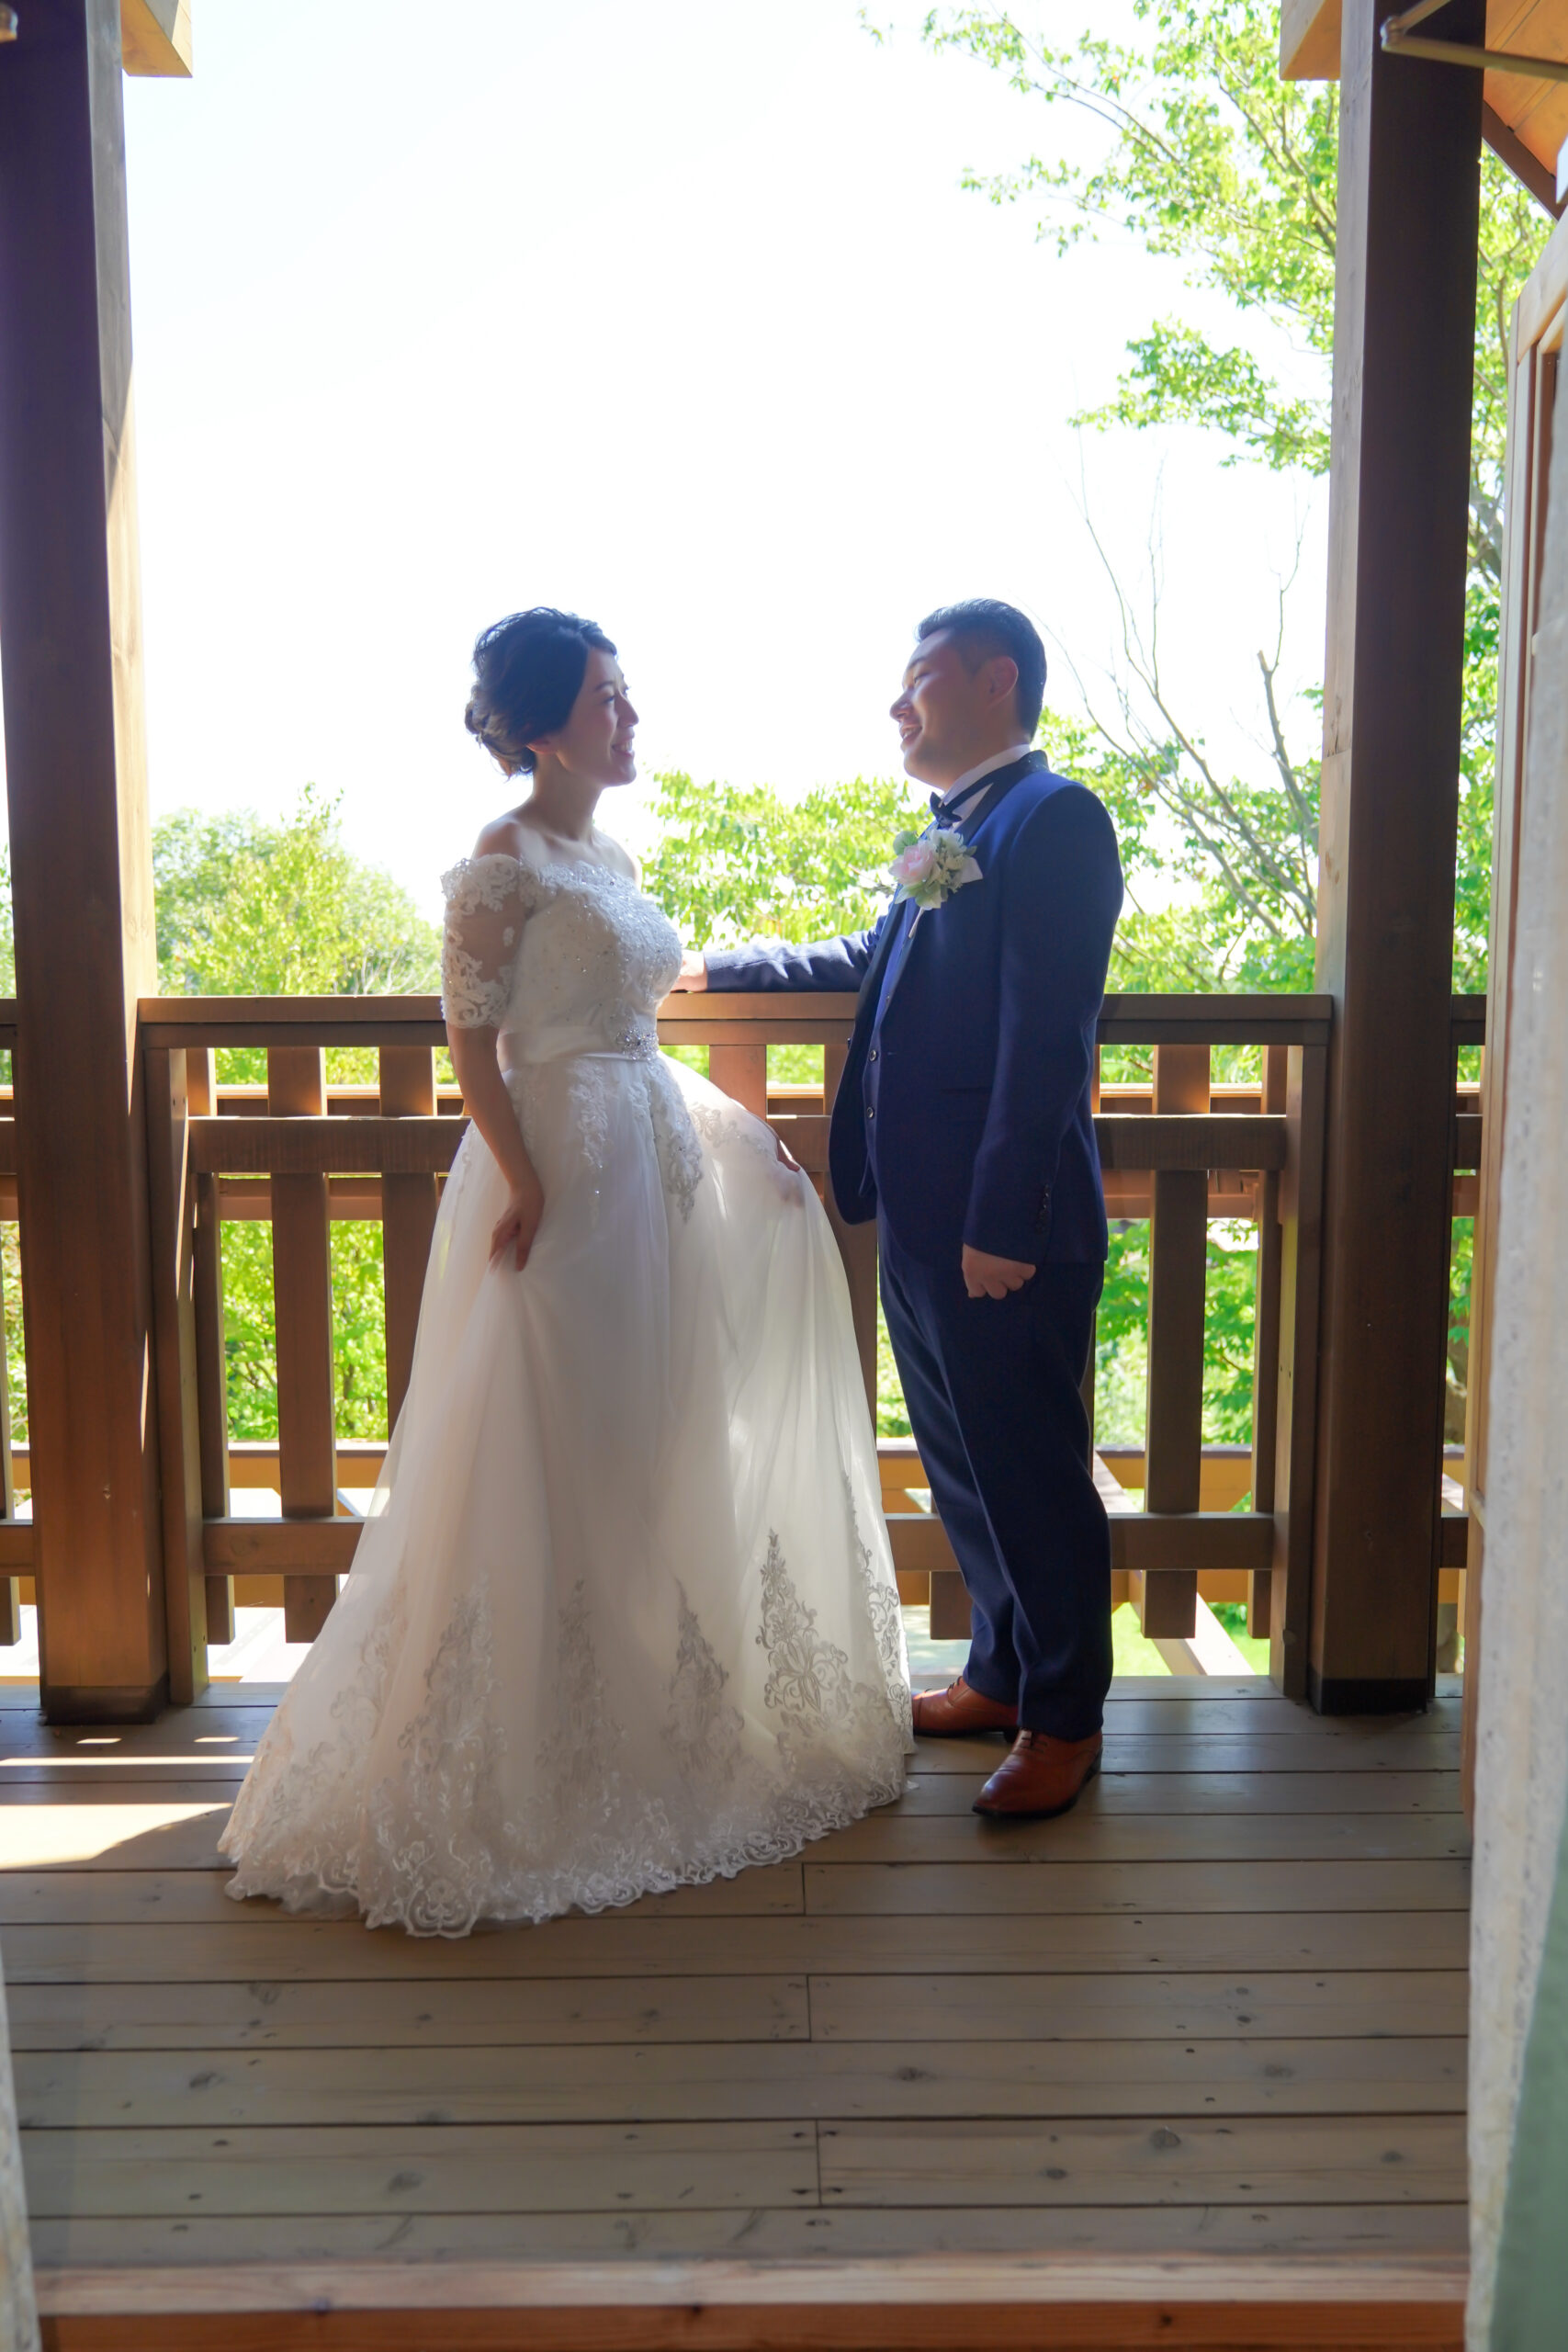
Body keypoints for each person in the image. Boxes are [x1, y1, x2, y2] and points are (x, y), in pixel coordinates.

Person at [220, 608, 910, 1937]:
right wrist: (527, 1181)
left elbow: (632, 1034)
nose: (630, 716)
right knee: (557, 1435)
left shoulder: (612, 854)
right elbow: (472, 1042)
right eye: (607, 697)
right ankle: (532, 1754)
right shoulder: (503, 854)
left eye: (628, 693)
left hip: (652, 1162)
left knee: (657, 1433)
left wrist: (739, 1135)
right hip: (560, 1174)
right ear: (543, 725)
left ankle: (656, 1717)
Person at [682, 600, 1122, 1820]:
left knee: (1030, 1468)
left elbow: (1048, 1039)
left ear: (994, 680)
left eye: (918, 678)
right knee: (961, 1463)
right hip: (922, 1220)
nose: (896, 704)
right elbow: (871, 962)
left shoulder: (1055, 817)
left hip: (999, 1224)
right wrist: (724, 967)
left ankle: (1065, 1719)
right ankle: (1000, 1670)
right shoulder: (952, 831)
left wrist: (1003, 1222)